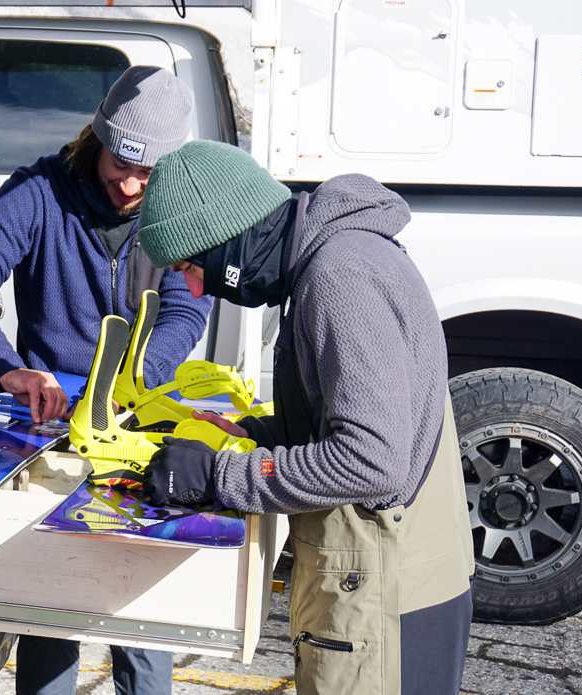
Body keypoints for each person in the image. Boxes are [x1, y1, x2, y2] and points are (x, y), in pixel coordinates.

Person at [135, 140, 474, 694]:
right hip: (401, 584)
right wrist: (259, 434)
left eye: (192, 267)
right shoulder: (341, 256)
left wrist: (221, 479)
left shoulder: (341, 279)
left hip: (385, 603)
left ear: (234, 237)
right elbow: (374, 416)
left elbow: (372, 462)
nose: (196, 289)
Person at [0, 66, 214, 695]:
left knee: (139, 602)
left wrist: (136, 377)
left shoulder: (177, 204)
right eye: (122, 163)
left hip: (136, 416)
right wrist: (4, 367)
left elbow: (187, 306)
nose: (132, 184)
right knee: (49, 599)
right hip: (48, 420)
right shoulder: (39, 191)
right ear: (99, 137)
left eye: (149, 173)